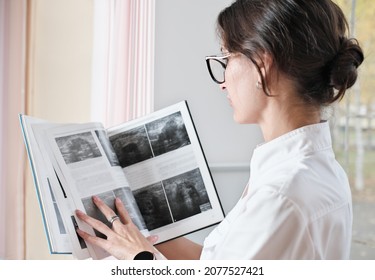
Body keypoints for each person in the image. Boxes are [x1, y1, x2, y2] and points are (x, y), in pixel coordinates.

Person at [75, 0, 364, 260]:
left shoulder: (281, 196)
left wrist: (139, 257)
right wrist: (141, 236)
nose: (222, 82)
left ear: (262, 64)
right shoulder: (314, 173)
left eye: (226, 59)